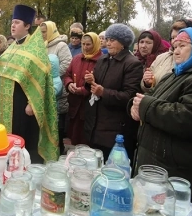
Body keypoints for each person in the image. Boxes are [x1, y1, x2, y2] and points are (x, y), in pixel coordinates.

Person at [130, 28, 192, 216]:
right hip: (161, 170)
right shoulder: (176, 74)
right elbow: (148, 97)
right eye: (174, 46)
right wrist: (134, 106)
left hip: (182, 177)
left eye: (182, 46)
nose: (175, 51)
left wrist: (145, 107)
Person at [0, 4, 59, 163]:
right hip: (6, 105)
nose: (13, 25)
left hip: (22, 105)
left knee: (23, 140)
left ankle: (27, 171)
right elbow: (5, 74)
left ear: (27, 26)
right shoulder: (11, 48)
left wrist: (33, 103)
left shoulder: (35, 50)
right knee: (9, 142)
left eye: (17, 22)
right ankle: (10, 167)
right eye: (12, 22)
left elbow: (41, 79)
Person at [83, 23, 143, 162]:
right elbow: (95, 86)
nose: (107, 43)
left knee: (111, 168)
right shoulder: (103, 59)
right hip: (95, 125)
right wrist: (89, 81)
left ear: (123, 43)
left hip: (114, 129)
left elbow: (129, 97)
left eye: (112, 40)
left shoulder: (132, 64)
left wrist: (103, 92)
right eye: (107, 39)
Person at [141, 19, 192, 92]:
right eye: (173, 37)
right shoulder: (161, 57)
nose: (175, 40)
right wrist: (147, 83)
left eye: (179, 36)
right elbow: (146, 87)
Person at [63, 32, 102, 145]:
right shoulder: (76, 59)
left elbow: (100, 81)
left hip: (89, 106)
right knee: (73, 136)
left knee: (86, 139)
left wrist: (82, 90)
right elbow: (67, 74)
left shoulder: (101, 61)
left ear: (95, 44)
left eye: (88, 44)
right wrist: (69, 84)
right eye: (83, 44)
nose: (85, 47)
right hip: (74, 104)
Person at [40, 20, 72, 155]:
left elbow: (67, 63)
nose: (42, 34)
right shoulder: (43, 45)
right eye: (41, 32)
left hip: (57, 90)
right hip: (43, 88)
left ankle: (58, 149)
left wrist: (52, 76)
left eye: (44, 32)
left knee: (56, 122)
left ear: (51, 30)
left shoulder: (61, 46)